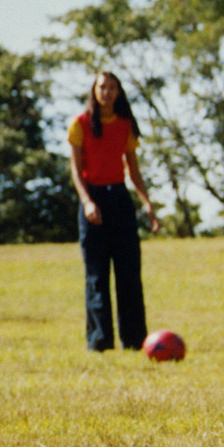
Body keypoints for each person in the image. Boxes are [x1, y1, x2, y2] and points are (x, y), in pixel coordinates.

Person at [69, 69, 157, 352]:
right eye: (102, 87)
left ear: (118, 93)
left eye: (112, 88)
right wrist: (87, 201)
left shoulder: (125, 125)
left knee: (129, 273)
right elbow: (75, 169)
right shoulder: (80, 124)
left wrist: (147, 203)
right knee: (96, 275)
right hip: (93, 200)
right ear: (94, 91)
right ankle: (99, 342)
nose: (106, 92)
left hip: (119, 199)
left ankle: (134, 341)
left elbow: (133, 169)